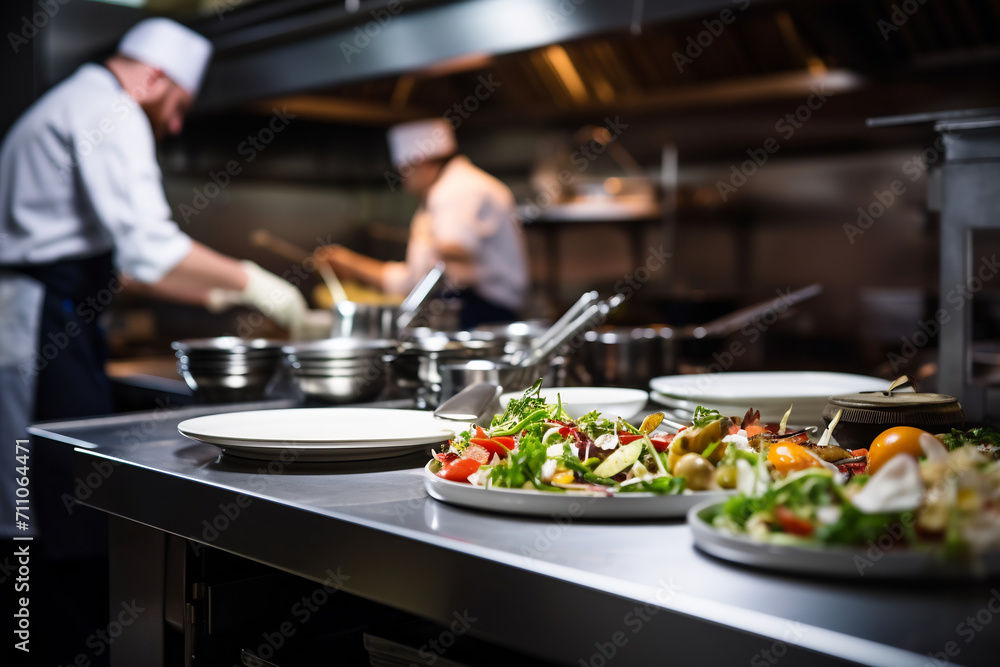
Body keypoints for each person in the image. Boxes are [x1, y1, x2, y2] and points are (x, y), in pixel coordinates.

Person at [0, 18, 306, 663]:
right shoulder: (109, 108)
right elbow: (152, 249)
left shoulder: (79, 100)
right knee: (41, 492)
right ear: (156, 76)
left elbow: (138, 263)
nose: (173, 126)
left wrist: (219, 291)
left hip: (49, 315)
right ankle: (41, 643)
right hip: (32, 323)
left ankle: (47, 636)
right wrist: (257, 284)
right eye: (177, 108)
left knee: (46, 493)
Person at [316, 118, 528, 329]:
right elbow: (417, 278)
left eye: (404, 171)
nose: (404, 184)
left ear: (421, 162)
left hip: (485, 315)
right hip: (477, 310)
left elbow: (452, 257)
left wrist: (354, 265)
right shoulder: (439, 195)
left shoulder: (457, 188)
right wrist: (352, 265)